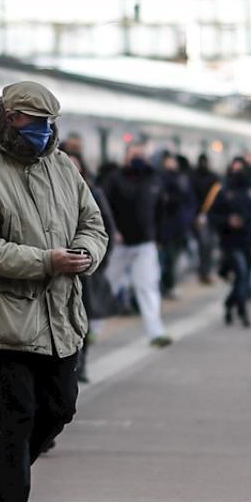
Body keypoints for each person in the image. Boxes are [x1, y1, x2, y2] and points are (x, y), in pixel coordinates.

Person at [0, 81, 108, 502]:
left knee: (60, 408)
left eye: (49, 122)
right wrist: (45, 261)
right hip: (8, 317)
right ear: (8, 118)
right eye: (34, 121)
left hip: (60, 314)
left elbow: (93, 223)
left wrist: (85, 252)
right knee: (19, 415)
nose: (43, 129)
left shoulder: (62, 167)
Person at [102, 142, 172, 348]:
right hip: (119, 245)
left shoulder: (154, 179)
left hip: (145, 244)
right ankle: (90, 330)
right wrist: (111, 232)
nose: (138, 158)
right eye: (134, 154)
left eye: (141, 154)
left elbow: (161, 211)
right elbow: (102, 208)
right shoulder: (114, 179)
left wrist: (159, 238)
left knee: (148, 286)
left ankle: (156, 332)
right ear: (126, 157)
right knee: (107, 287)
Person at [65, 148, 117, 386]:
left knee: (81, 316)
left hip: (83, 268)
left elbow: (105, 228)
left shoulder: (92, 193)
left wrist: (97, 261)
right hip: (54, 266)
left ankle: (81, 362)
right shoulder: (47, 194)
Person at [209, 158, 251, 327]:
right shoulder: (224, 190)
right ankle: (242, 310)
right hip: (230, 242)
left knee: (245, 277)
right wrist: (228, 221)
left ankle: (230, 303)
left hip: (249, 241)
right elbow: (212, 215)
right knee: (241, 273)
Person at [157, 152, 195, 300]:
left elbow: (189, 202)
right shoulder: (159, 179)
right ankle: (167, 284)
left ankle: (169, 284)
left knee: (172, 258)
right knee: (166, 258)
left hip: (177, 226)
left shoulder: (182, 180)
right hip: (165, 227)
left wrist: (187, 220)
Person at [191, 154, 220, 285]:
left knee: (206, 245)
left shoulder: (196, 177)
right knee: (205, 245)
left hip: (207, 215)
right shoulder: (211, 177)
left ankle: (204, 271)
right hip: (202, 215)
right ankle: (204, 271)